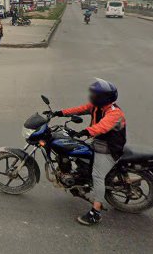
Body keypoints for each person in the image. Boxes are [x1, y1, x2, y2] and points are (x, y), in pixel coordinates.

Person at [50, 79, 126, 226]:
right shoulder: (97, 107)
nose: (92, 96)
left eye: (95, 94)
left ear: (104, 97)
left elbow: (102, 127)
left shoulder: (114, 113)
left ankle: (95, 213)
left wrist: (84, 132)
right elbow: (79, 109)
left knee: (97, 176)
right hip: (97, 142)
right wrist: (59, 113)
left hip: (109, 148)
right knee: (76, 152)